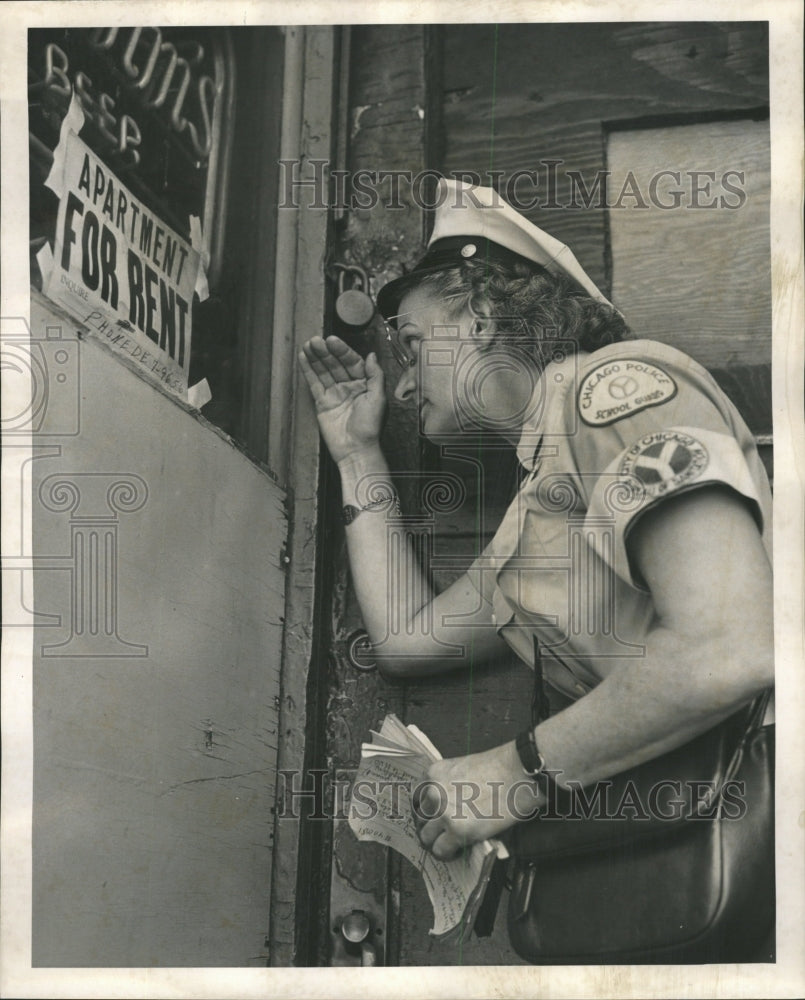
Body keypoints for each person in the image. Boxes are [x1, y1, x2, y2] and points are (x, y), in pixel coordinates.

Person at [298, 178, 773, 867]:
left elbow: (730, 643)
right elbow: (404, 638)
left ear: (481, 316)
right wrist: (355, 450)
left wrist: (512, 772)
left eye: (410, 342)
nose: (401, 386)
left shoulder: (611, 391)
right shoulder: (540, 504)